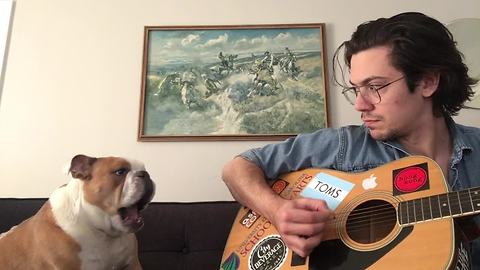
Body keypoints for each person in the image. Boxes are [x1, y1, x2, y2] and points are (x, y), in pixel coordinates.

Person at [221, 12, 480, 267]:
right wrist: (277, 211)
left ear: (428, 82)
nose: (359, 104)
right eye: (355, 89)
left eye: (375, 87)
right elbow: (237, 169)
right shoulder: (343, 146)